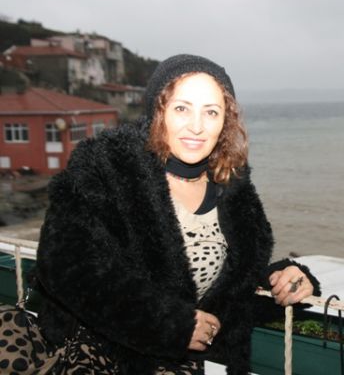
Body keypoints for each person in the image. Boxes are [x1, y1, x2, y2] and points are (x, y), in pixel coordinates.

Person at [33, 54, 320, 374]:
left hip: (177, 362)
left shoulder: (231, 184)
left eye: (211, 112)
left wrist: (283, 279)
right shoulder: (108, 167)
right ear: (158, 110)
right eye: (182, 108)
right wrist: (168, 324)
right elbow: (64, 265)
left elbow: (228, 290)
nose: (196, 126)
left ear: (226, 121)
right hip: (95, 354)